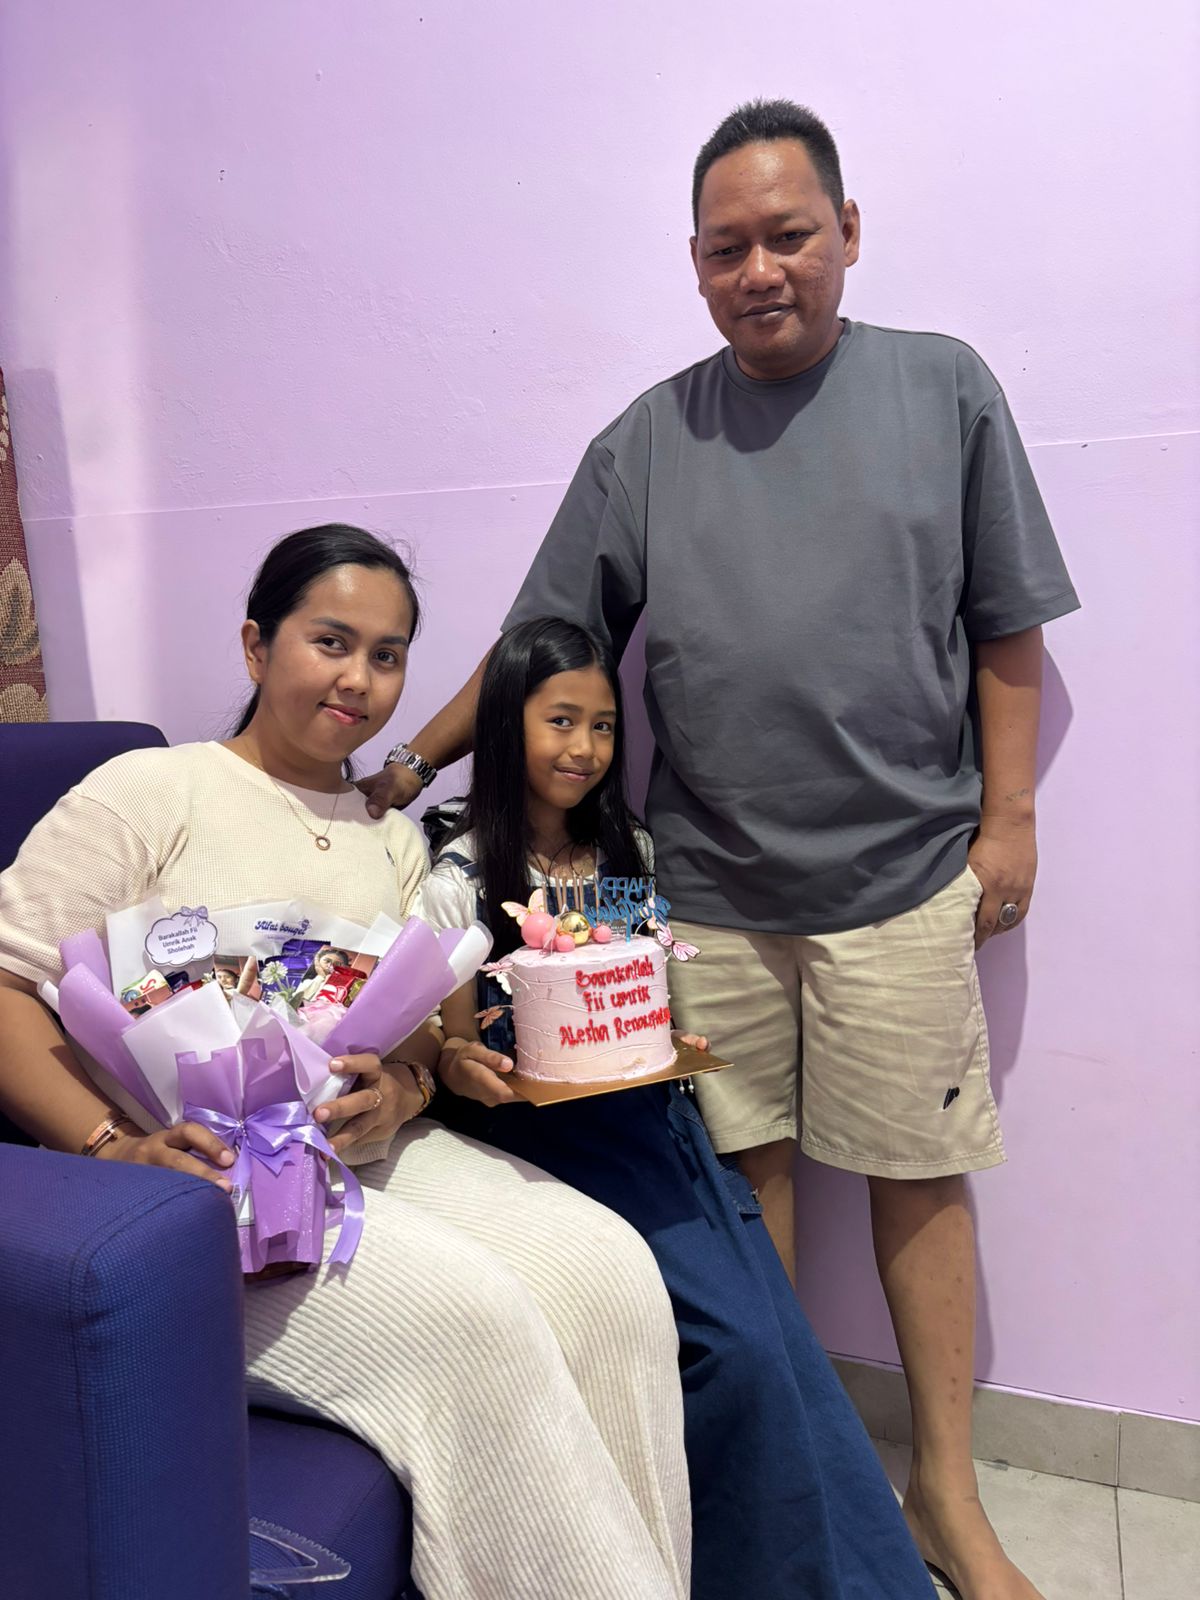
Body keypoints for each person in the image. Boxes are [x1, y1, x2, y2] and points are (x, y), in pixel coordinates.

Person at [360, 100, 1080, 1600]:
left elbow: (1006, 622)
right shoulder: (645, 441)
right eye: (727, 248)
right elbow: (540, 638)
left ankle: (947, 1498)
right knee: (739, 1193)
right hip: (703, 896)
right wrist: (415, 762)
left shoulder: (945, 389)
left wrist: (1009, 817)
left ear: (848, 233)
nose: (762, 271)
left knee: (918, 1175)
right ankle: (782, 1476)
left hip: (904, 876)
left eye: (790, 236)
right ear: (694, 262)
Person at [0, 526, 691, 1600]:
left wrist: (405, 1087)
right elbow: (6, 981)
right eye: (331, 642)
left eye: (388, 655)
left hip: (364, 1155)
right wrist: (110, 1148)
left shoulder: (392, 839)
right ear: (256, 645)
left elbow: (412, 1034)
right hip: (200, 1197)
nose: (359, 679)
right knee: (475, 1318)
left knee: (612, 1272)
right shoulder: (150, 791)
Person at [413, 615, 935, 1600]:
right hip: (540, 1147)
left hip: (659, 1131)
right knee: (730, 1351)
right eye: (559, 720)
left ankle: (848, 1575)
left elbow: (645, 1000)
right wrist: (463, 1062)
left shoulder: (629, 849)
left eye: (604, 726)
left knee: (777, 1344)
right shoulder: (459, 870)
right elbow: (448, 1045)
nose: (584, 748)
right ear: (504, 722)